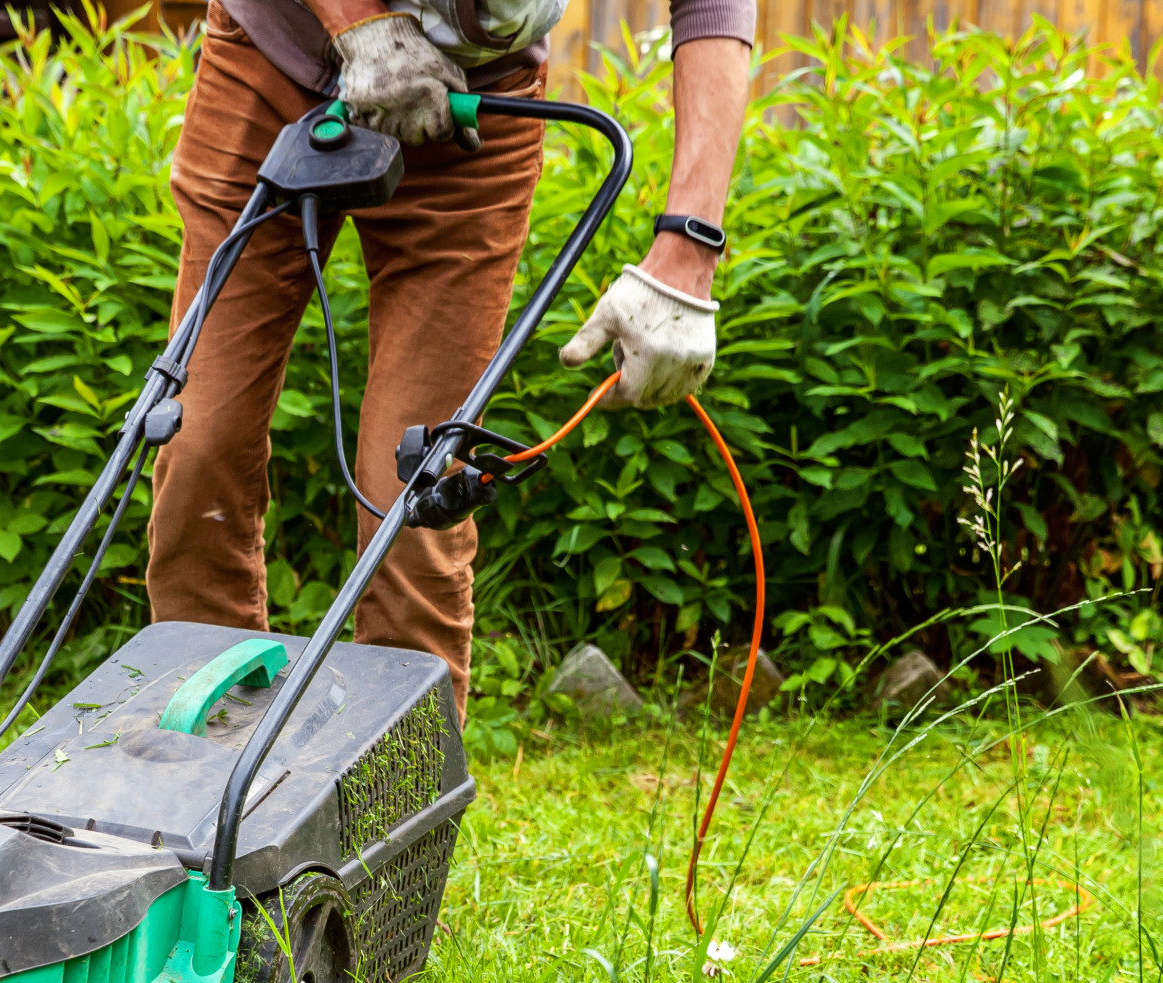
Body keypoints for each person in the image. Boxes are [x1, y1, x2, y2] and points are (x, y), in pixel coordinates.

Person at [142, 0, 755, 710]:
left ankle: (396, 802)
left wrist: (688, 250)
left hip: (475, 104)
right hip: (272, 59)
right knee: (199, 445)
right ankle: (194, 780)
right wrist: (358, 25)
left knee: (414, 497)